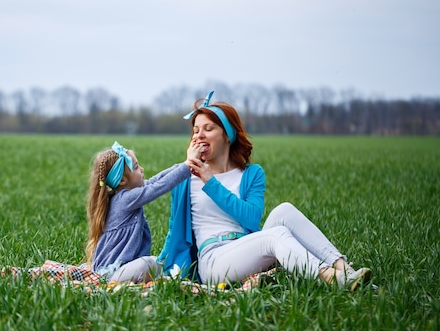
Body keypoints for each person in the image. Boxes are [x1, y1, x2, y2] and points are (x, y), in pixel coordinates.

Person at [157, 91, 372, 290]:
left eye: (208, 129)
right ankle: (331, 279)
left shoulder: (251, 174)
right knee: (275, 236)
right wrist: (158, 266)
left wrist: (210, 181)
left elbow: (251, 218)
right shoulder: (187, 178)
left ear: (227, 135)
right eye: (195, 131)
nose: (199, 136)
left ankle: (346, 271)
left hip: (247, 248)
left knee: (285, 211)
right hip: (214, 261)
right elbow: (173, 228)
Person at [85, 140, 201, 283]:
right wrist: (187, 167)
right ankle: (115, 284)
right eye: (136, 167)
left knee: (154, 264)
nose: (142, 169)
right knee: (150, 263)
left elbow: (154, 181)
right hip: (112, 274)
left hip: (121, 271)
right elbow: (158, 187)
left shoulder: (123, 195)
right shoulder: (125, 200)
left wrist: (184, 164)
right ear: (122, 180)